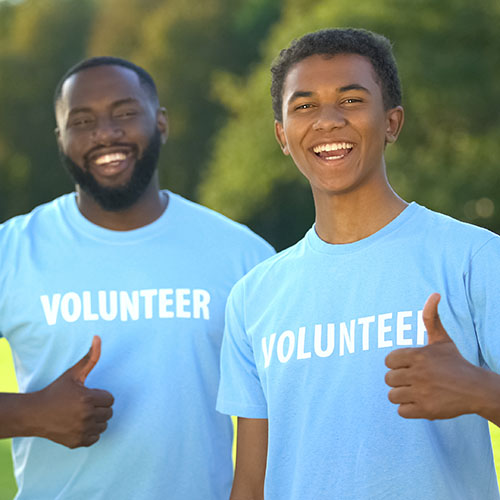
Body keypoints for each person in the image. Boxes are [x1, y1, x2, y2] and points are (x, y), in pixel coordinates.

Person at [216, 28, 500, 499]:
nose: (327, 121)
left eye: (350, 100)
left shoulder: (474, 257)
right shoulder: (254, 296)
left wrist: (478, 390)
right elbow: (251, 484)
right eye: (304, 106)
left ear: (392, 122)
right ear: (282, 136)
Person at [0, 56, 274, 500]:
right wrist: (28, 413)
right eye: (82, 120)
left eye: (125, 113)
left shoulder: (243, 255)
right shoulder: (11, 252)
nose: (105, 133)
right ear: (61, 138)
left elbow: (294, 405)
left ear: (160, 123)